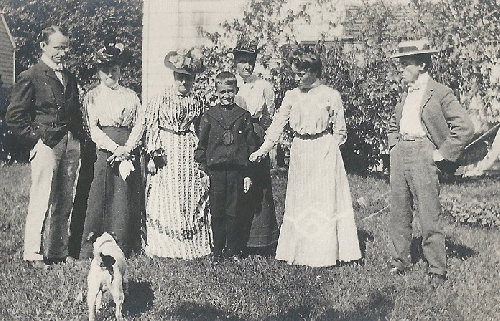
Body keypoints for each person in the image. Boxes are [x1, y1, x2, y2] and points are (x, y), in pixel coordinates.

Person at [249, 48, 361, 267]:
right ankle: (301, 252)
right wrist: (263, 150)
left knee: (324, 199)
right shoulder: (292, 96)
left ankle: (325, 252)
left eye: (301, 73)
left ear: (313, 71)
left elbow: (340, 131)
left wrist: (328, 153)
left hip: (324, 150)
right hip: (300, 150)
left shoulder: (331, 95)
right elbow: (277, 125)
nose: (297, 78)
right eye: (295, 73)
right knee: (301, 199)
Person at [388, 39, 474, 285]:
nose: (401, 68)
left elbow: (465, 127)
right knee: (399, 212)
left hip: (424, 153)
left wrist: (442, 153)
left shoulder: (440, 92)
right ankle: (400, 261)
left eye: (406, 64)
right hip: (400, 152)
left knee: (428, 214)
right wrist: (394, 145)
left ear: (423, 65)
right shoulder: (406, 94)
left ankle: (436, 269)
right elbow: (393, 124)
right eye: (401, 64)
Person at [5, 26, 84, 267]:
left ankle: (57, 252)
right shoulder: (31, 75)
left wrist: (76, 138)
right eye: (57, 47)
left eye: (66, 47)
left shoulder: (69, 77)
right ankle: (33, 253)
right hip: (46, 145)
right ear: (43, 46)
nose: (63, 52)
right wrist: (37, 136)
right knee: (41, 198)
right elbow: (14, 117)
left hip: (69, 143)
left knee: (64, 199)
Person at [143, 48, 211, 259]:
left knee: (188, 189)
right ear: (174, 77)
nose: (184, 83)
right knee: (167, 191)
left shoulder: (198, 101)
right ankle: (165, 243)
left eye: (188, 79)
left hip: (188, 146)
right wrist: (153, 153)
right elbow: (151, 125)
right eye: (180, 78)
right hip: (166, 146)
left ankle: (191, 242)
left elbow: (202, 127)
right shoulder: (161, 98)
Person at [79, 44, 145, 259]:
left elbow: (139, 124)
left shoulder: (130, 96)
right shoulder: (93, 96)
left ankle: (125, 244)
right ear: (98, 72)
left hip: (127, 149)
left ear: (120, 70)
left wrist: (127, 148)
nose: (110, 74)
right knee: (102, 194)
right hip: (105, 151)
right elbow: (92, 128)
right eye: (105, 70)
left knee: (124, 194)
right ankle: (94, 246)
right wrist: (115, 148)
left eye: (114, 69)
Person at [195, 71, 257, 261]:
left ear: (236, 91)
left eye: (230, 92)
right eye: (222, 92)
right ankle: (217, 250)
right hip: (216, 172)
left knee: (235, 212)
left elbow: (250, 146)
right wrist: (203, 170)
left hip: (236, 171)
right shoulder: (209, 116)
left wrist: (248, 173)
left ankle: (233, 250)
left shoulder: (243, 116)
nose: (226, 96)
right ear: (216, 92)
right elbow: (202, 145)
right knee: (217, 211)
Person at [232, 40, 279, 255]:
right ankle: (236, 239)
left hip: (256, 135)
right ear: (235, 62)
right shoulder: (229, 84)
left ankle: (261, 240)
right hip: (233, 135)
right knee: (236, 184)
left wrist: (268, 146)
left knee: (258, 185)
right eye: (242, 61)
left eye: (250, 62)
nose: (247, 66)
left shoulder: (264, 86)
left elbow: (270, 118)